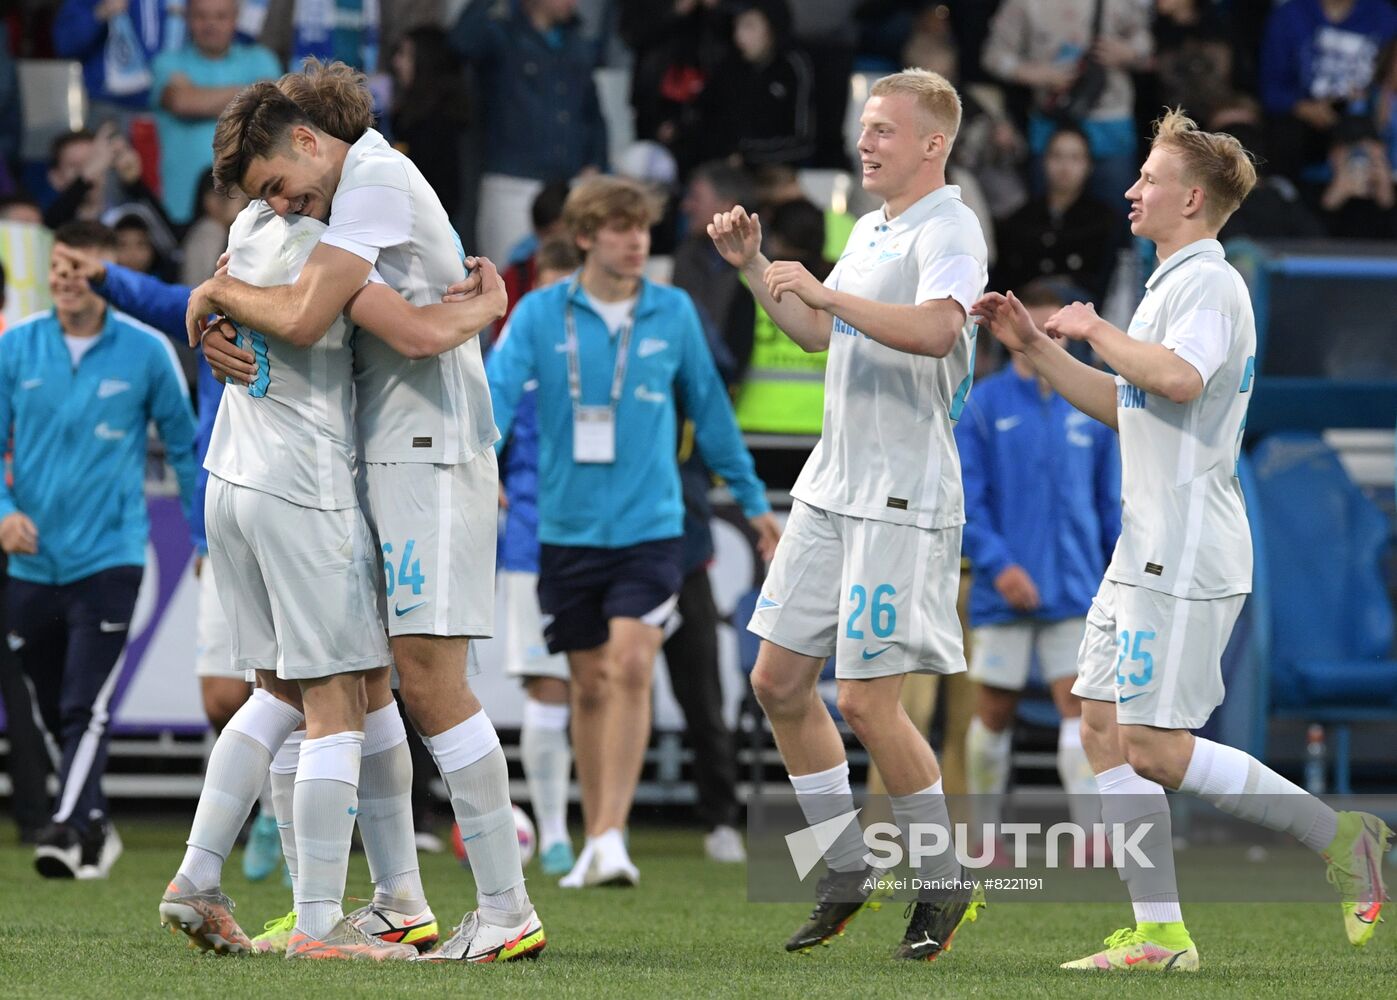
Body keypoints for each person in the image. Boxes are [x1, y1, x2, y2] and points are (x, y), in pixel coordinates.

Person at [972, 109, 1391, 972]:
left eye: (1149, 178)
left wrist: (1091, 330)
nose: (1131, 188)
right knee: (1096, 726)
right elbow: (1128, 407)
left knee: (1152, 749)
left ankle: (1344, 837)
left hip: (1184, 549)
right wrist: (1034, 350)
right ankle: (1159, 936)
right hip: (1142, 549)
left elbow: (1176, 376)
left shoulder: (1211, 284)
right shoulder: (1166, 284)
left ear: (1190, 197)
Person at [181, 63, 545, 964]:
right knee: (369, 678)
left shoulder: (373, 179)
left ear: (309, 140)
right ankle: (396, 904)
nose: (285, 206)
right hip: (371, 454)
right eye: (268, 198)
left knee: (424, 679)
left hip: (425, 449)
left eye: (280, 186)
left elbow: (337, 321)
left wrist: (212, 292)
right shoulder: (331, 202)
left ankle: (505, 909)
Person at [708, 67, 988, 961]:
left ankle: (941, 880)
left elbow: (940, 328)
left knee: (869, 703)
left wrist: (826, 293)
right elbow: (820, 333)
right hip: (832, 485)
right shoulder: (870, 228)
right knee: (776, 682)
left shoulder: (951, 227)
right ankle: (843, 865)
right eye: (864, 128)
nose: (864, 144)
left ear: (932, 145)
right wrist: (755, 268)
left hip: (902, 494)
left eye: (882, 131)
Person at [487, 175, 779, 888]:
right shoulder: (535, 315)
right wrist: (477, 465)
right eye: (618, 228)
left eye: (641, 228)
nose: (634, 240)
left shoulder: (673, 312)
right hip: (564, 529)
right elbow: (489, 399)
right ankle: (594, 836)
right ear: (585, 236)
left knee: (629, 664)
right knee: (586, 684)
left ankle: (613, 836)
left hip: (653, 528)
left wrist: (752, 502)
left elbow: (711, 417)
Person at [0, 220, 199, 880]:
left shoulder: (147, 352)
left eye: (78, 266)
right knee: (58, 706)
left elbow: (184, 449)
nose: (63, 278)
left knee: (85, 705)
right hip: (30, 563)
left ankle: (61, 828)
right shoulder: (17, 348)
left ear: (105, 275)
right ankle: (96, 824)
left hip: (111, 558)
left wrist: (203, 535)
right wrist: (3, 513)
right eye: (56, 266)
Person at [956, 279, 1120, 863]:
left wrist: (1112, 575)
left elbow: (1110, 505)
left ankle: (1090, 835)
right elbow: (968, 500)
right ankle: (982, 834)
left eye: (1055, 332)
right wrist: (998, 567)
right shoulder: (983, 405)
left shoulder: (1093, 406)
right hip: (1005, 590)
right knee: (994, 711)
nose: (1042, 340)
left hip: (1077, 588)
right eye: (1035, 327)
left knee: (1079, 708)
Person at [497, 237, 582, 877]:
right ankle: (555, 830)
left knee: (602, 687)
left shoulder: (610, 351)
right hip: (531, 541)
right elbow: (480, 427)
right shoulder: (514, 352)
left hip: (606, 538)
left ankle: (604, 830)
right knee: (549, 685)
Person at [449, 0, 609, 264]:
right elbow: (460, 42)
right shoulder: (500, 32)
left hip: (567, 186)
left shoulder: (577, 41)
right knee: (507, 277)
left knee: (569, 277)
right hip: (512, 182)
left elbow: (591, 112)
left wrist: (595, 162)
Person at [150, 0, 282, 225]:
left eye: (220, 16)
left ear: (235, 19)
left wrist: (199, 94)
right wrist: (251, 92)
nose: (210, 24)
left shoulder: (261, 58)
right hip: (181, 202)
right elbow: (183, 103)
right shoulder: (166, 62)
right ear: (187, 18)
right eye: (201, 16)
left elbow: (272, 105)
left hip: (250, 201)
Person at [995, 126, 1117, 304]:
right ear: (1044, 161)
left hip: (1080, 309)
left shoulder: (1105, 220)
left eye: (1075, 158)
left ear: (1089, 165)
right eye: (1057, 156)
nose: (1065, 167)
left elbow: (1105, 281)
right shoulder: (1020, 219)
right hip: (1023, 303)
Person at [701, 0, 816, 167]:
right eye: (736, 26)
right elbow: (709, 121)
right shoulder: (730, 66)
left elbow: (804, 141)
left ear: (772, 26)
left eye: (749, 26)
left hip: (776, 172)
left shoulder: (793, 66)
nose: (738, 36)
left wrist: (748, 156)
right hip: (725, 170)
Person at [182, 169, 251, 286]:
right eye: (215, 193)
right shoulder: (210, 230)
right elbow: (208, 285)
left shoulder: (234, 229)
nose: (225, 199)